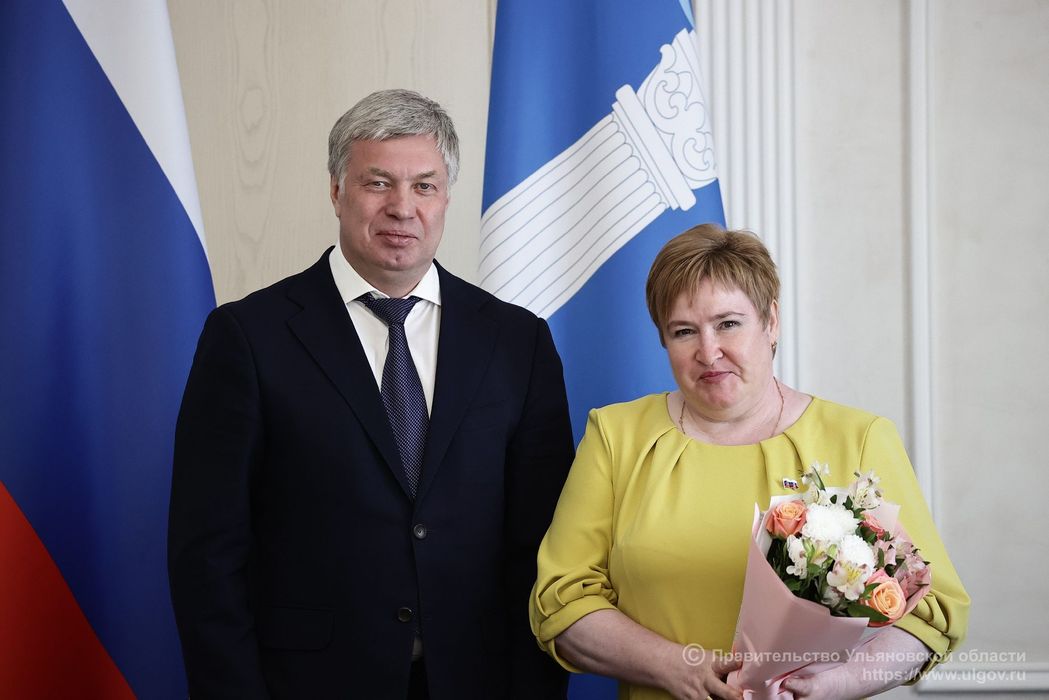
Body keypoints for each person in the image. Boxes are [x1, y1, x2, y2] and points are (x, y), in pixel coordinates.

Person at [168, 89, 574, 699]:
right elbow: (207, 555)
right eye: (377, 183)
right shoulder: (248, 337)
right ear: (337, 191)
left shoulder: (518, 341)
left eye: (424, 186)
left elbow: (544, 542)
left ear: (446, 197)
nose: (402, 208)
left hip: (477, 681)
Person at [530, 224, 969, 700]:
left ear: (771, 321)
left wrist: (837, 684)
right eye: (683, 331)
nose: (708, 351)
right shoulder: (617, 436)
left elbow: (930, 613)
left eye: (728, 324)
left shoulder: (858, 439)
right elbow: (561, 602)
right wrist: (676, 666)